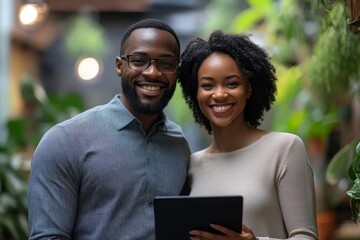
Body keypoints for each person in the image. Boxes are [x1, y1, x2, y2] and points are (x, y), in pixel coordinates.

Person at [28, 18, 190, 240]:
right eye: (139, 60)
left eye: (166, 63)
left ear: (177, 72)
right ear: (119, 66)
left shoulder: (178, 145)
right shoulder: (64, 141)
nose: (153, 72)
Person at [178, 30, 318, 240]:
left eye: (232, 83)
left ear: (249, 89)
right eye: (207, 85)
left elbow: (306, 237)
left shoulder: (285, 148)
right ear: (195, 93)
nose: (219, 94)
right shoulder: (193, 165)